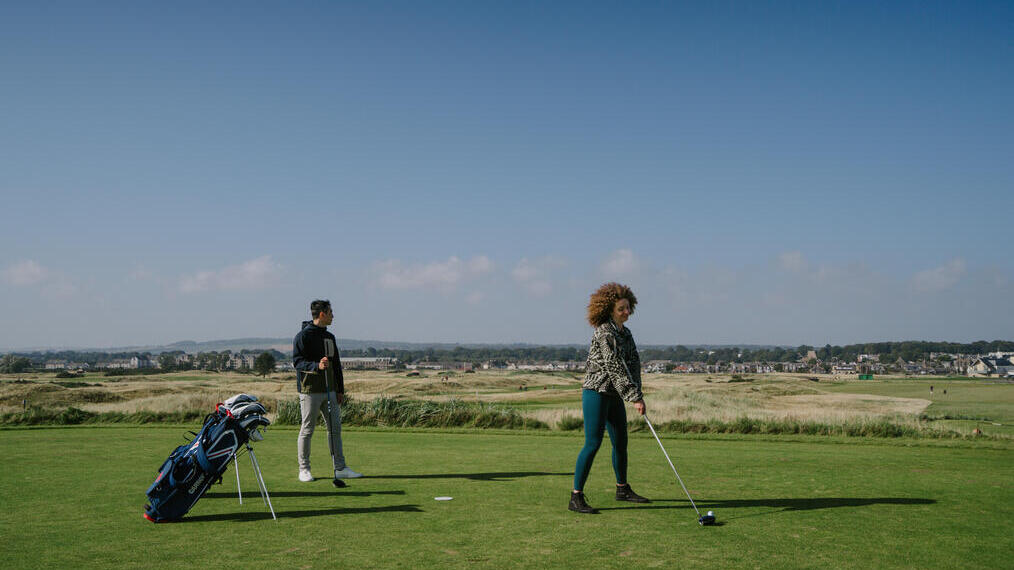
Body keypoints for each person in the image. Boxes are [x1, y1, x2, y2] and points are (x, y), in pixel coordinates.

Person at [570, 283, 650, 514]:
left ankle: (622, 489)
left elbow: (633, 365)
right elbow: (614, 367)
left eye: (628, 308)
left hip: (614, 394)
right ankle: (576, 497)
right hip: (596, 392)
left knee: (621, 442)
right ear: (609, 309)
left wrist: (638, 394)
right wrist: (633, 397)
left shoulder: (626, 333)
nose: (627, 312)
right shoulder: (604, 332)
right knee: (593, 443)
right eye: (621, 309)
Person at [293, 299, 363, 485]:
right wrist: (317, 365)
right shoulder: (303, 336)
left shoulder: (330, 337)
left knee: (335, 429)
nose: (333, 316)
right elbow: (297, 362)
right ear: (322, 314)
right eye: (331, 312)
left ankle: (340, 468)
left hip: (330, 390)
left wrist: (340, 389)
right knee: (307, 429)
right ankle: (304, 469)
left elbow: (337, 365)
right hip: (310, 391)